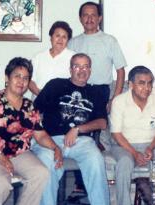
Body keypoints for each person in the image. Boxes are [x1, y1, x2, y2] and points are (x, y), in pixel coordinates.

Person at [0, 57, 61, 205]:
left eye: (26, 78)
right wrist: (0, 156)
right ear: (7, 77)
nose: (21, 81)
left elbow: (40, 134)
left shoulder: (29, 106)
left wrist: (55, 147)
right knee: (1, 182)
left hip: (18, 154)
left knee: (41, 173)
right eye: (17, 76)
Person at [32, 53, 110, 205]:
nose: (82, 70)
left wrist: (78, 129)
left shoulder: (95, 93)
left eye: (86, 66)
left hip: (82, 142)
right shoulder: (55, 85)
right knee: (46, 167)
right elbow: (34, 112)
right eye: (77, 66)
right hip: (51, 140)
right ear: (70, 69)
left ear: (90, 70)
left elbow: (102, 123)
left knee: (96, 161)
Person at [110, 66, 155, 205]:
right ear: (130, 84)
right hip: (124, 146)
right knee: (124, 163)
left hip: (151, 145)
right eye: (141, 83)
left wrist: (150, 148)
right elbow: (116, 134)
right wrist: (134, 153)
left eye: (149, 83)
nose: (147, 88)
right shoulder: (119, 102)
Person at [68, 1, 127, 111]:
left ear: (99, 18)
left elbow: (120, 70)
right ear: (80, 18)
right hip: (77, 90)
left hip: (101, 91)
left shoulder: (110, 41)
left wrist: (115, 98)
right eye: (85, 15)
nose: (89, 19)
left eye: (93, 15)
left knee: (97, 124)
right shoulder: (72, 42)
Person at [29, 21, 75, 97]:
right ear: (51, 37)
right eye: (57, 36)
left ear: (68, 40)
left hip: (62, 104)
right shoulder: (38, 57)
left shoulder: (73, 58)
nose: (60, 40)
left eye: (64, 37)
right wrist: (41, 95)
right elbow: (30, 80)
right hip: (39, 101)